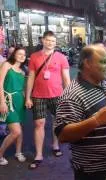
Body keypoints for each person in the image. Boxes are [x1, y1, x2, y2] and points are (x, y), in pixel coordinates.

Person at [54, 44, 106, 180]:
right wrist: (96, 120)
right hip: (95, 171)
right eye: (103, 62)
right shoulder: (72, 95)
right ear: (87, 63)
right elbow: (63, 135)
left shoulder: (100, 82)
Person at [25, 31, 70, 169]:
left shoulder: (62, 57)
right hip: (38, 96)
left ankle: (55, 145)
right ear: (42, 40)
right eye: (47, 40)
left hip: (57, 95)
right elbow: (31, 77)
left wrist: (69, 96)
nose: (50, 43)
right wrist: (28, 97)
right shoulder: (34, 57)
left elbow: (66, 79)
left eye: (52, 41)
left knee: (57, 122)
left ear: (55, 42)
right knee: (39, 123)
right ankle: (38, 154)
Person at [0, 47, 27, 165]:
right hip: (8, 101)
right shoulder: (6, 65)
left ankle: (18, 152)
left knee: (20, 129)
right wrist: (2, 102)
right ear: (14, 55)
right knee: (16, 131)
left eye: (24, 55)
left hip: (20, 102)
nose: (22, 56)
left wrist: (27, 100)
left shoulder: (23, 71)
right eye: (19, 54)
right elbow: (0, 84)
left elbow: (22, 88)